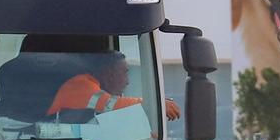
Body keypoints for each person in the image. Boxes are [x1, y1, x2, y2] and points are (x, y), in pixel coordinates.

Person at [47, 51, 180, 120]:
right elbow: (111, 104)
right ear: (108, 74)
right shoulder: (80, 85)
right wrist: (154, 105)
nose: (127, 81)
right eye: (124, 73)